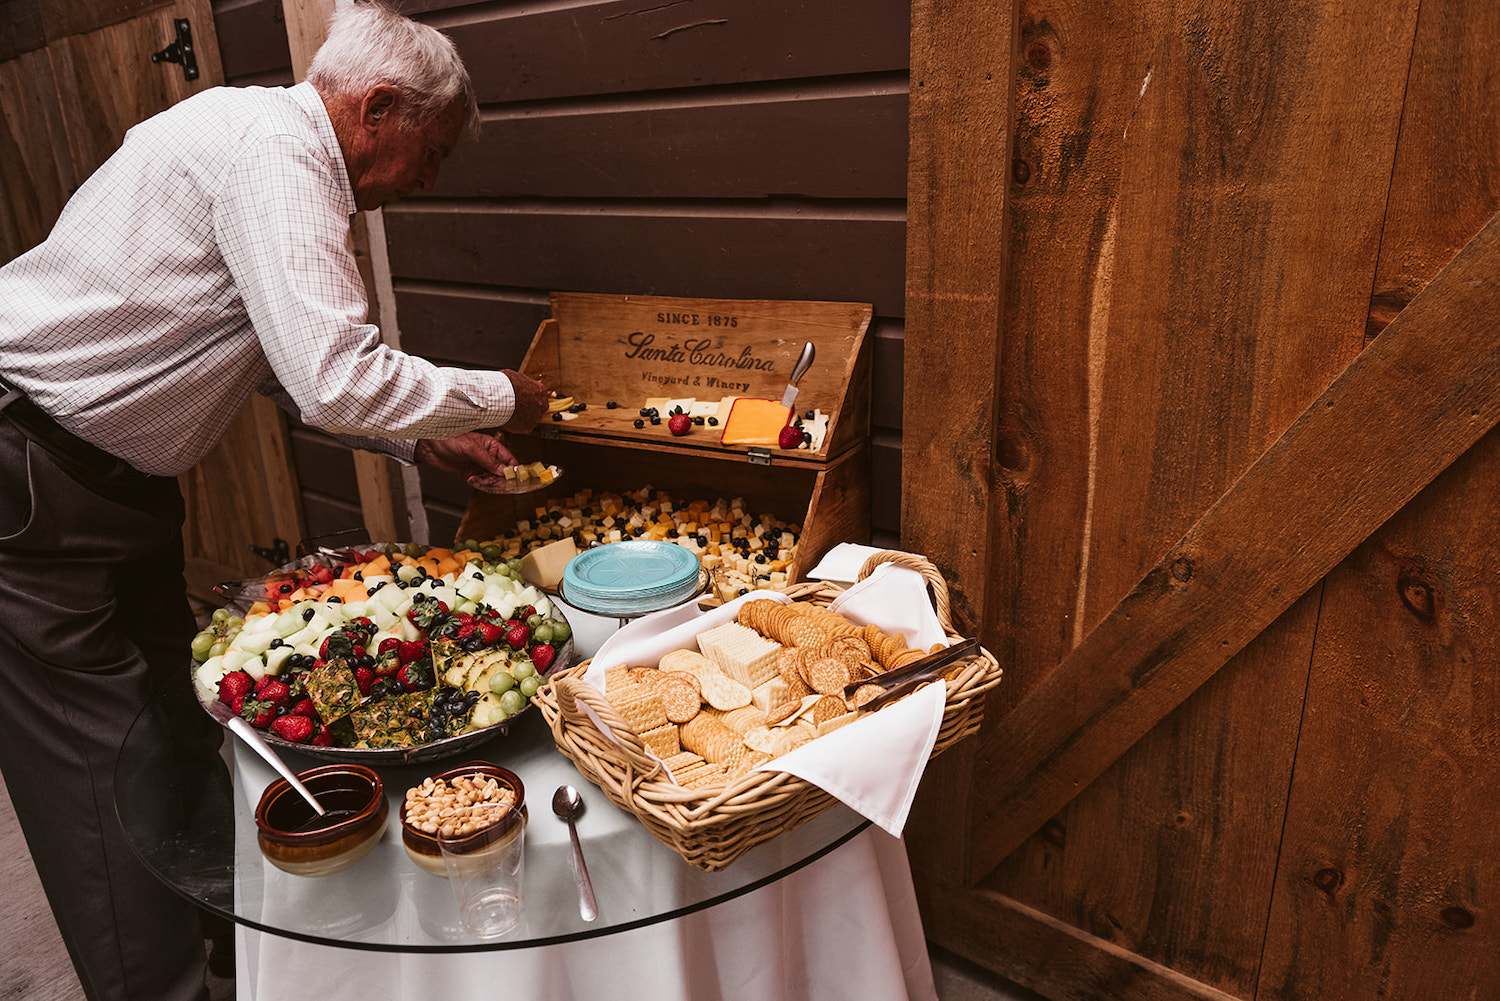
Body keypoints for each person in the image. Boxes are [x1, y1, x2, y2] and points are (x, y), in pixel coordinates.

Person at [0, 4, 545, 999]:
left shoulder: (254, 138)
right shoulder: (281, 157)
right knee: (92, 769)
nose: (424, 182)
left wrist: (424, 435)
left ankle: (229, 953)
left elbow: (270, 360)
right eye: (432, 152)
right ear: (380, 107)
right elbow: (335, 376)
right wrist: (503, 394)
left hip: (102, 481)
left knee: (166, 728)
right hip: (32, 476)